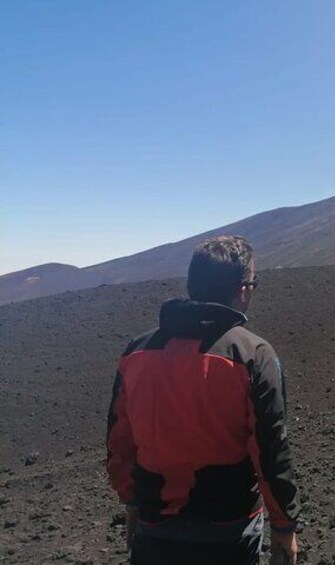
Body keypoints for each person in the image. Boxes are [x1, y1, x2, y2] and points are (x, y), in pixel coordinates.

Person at [106, 235, 299, 565]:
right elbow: (269, 448)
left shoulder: (137, 351)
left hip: (155, 521)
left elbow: (119, 439)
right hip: (228, 526)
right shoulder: (252, 355)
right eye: (253, 282)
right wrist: (284, 524)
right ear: (243, 289)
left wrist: (133, 502)